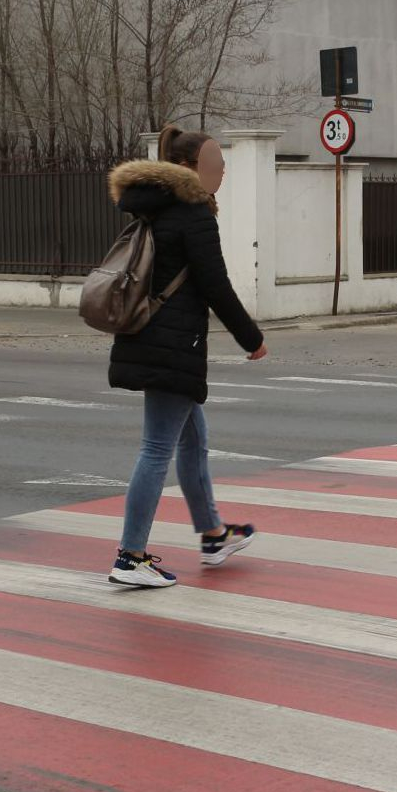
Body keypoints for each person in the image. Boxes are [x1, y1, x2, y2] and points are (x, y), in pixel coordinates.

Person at [104, 125, 267, 588]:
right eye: (214, 162)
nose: (222, 170)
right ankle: (130, 556)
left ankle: (213, 534)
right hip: (174, 345)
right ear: (188, 168)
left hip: (152, 338)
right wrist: (251, 337)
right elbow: (216, 286)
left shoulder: (153, 208)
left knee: (192, 439)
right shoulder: (193, 214)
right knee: (156, 448)